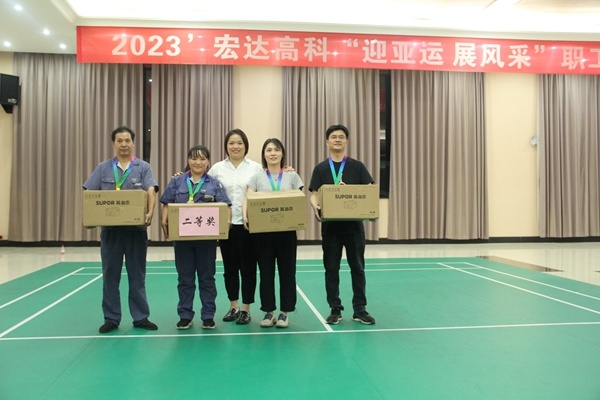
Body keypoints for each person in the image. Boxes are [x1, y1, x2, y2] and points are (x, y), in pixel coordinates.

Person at [83, 126, 159, 333]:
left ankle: (141, 317)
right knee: (110, 276)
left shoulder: (143, 167)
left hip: (136, 231)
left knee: (137, 276)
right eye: (119, 140)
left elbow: (150, 190)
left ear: (133, 143)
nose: (124, 144)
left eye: (127, 140)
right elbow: (89, 193)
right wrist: (90, 215)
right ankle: (111, 318)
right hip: (111, 232)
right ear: (113, 143)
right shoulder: (103, 168)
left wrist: (150, 212)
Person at [308, 124, 376, 325]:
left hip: (354, 227)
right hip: (331, 228)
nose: (337, 139)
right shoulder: (320, 168)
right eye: (333, 137)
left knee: (358, 268)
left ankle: (360, 309)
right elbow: (314, 194)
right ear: (327, 142)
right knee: (331, 269)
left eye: (341, 137)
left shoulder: (357, 166)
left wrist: (349, 193)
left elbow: (369, 191)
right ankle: (335, 309)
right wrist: (315, 206)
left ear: (346, 141)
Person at [160, 145, 231, 330]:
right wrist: (164, 222)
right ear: (188, 160)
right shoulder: (177, 182)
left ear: (208, 161)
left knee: (207, 278)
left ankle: (208, 315)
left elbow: (225, 207)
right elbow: (167, 204)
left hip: (206, 242)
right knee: (185, 279)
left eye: (202, 159)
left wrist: (225, 225)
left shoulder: (215, 184)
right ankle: (185, 315)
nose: (198, 162)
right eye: (194, 158)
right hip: (182, 241)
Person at [243, 138, 304, 328]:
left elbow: (300, 199)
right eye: (269, 150)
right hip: (263, 234)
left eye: (276, 150)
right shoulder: (257, 177)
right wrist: (245, 215)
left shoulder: (292, 176)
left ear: (282, 153)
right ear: (264, 154)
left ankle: (285, 312)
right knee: (266, 272)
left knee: (288, 272)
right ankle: (269, 312)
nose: (273, 153)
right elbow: (248, 198)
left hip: (287, 233)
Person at [209, 129, 263, 324]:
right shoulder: (217, 168)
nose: (235, 146)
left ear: (245, 145)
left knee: (248, 268)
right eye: (231, 143)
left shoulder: (256, 168)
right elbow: (201, 183)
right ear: (226, 146)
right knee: (229, 268)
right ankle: (233, 306)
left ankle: (246, 309)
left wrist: (286, 170)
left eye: (239, 143)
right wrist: (182, 174)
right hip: (226, 226)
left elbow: (269, 184)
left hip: (249, 225)